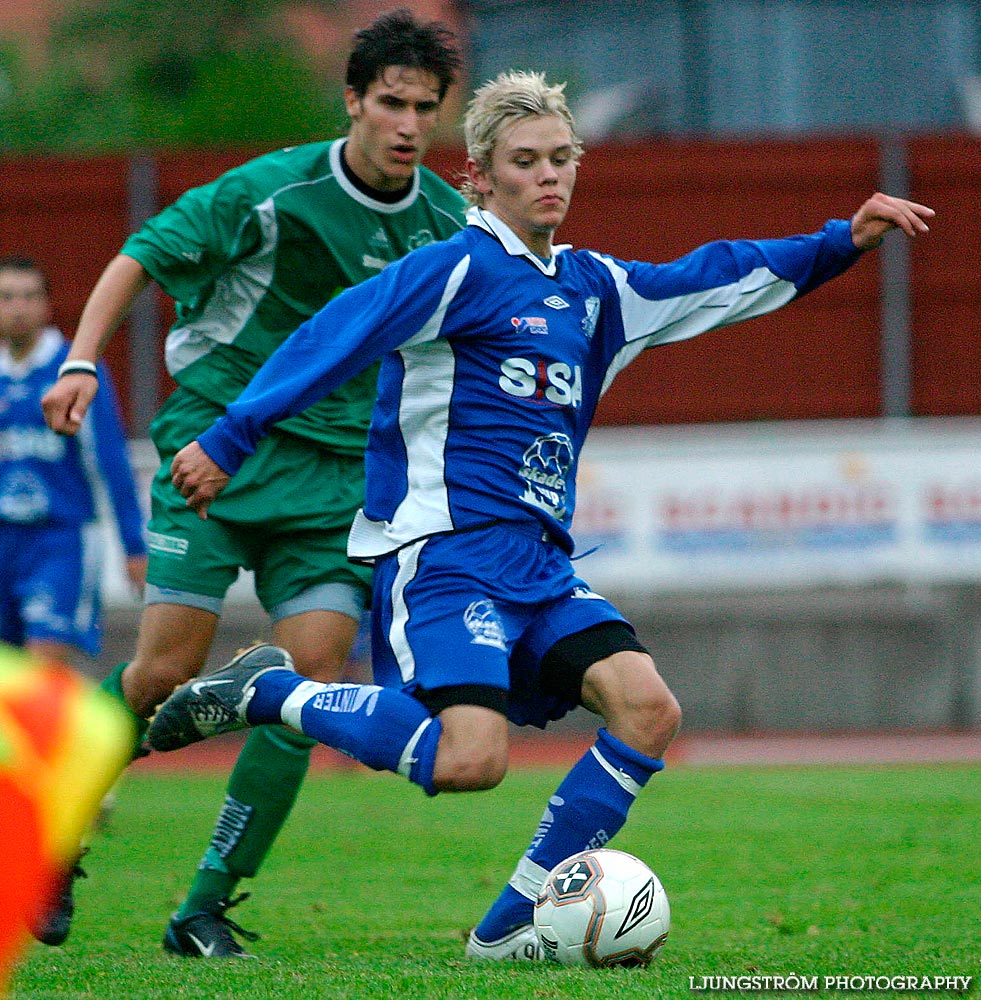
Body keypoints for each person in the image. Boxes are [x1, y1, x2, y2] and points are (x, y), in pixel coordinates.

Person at [145, 71, 935, 960]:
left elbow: (712, 276)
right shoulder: (455, 267)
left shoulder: (594, 287)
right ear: (480, 176)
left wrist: (841, 241)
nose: (549, 176)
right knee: (469, 760)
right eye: (525, 161)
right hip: (444, 555)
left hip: (540, 563)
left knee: (647, 710)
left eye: (562, 158)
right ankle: (270, 689)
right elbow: (339, 332)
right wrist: (233, 433)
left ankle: (503, 933)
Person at [39, 9, 465, 957]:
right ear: (353, 100)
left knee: (305, 684)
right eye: (389, 103)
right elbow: (139, 257)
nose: (405, 125)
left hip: (333, 480)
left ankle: (202, 908)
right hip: (217, 454)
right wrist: (78, 362)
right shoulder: (275, 191)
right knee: (162, 672)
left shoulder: (446, 224)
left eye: (423, 110)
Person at [0, 255, 147, 668]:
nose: (18, 309)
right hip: (3, 541)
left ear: (47, 306)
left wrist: (134, 545)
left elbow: (111, 463)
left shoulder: (73, 370)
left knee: (44, 665)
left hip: (59, 541)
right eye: (7, 297)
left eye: (30, 297)